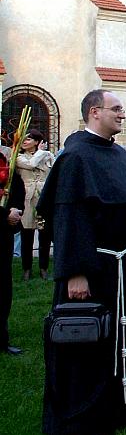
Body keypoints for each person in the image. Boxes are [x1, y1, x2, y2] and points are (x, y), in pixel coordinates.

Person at [38, 89, 126, 435]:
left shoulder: (119, 154)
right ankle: (85, 418)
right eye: (117, 109)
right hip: (90, 266)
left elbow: (123, 205)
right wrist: (74, 272)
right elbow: (68, 217)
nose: (123, 115)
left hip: (121, 263)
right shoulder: (76, 156)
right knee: (89, 342)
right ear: (94, 112)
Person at [16, 129, 55, 281]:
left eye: (29, 139)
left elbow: (53, 172)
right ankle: (27, 268)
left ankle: (43, 268)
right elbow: (31, 165)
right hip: (27, 197)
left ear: (37, 141)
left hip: (43, 197)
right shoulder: (19, 158)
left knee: (44, 233)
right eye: (24, 139)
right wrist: (40, 152)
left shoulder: (48, 156)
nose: (25, 141)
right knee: (27, 234)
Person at [0, 151, 25, 355]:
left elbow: (16, 189)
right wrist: (4, 214)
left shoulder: (8, 165)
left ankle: (2, 337)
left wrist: (15, 210)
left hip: (3, 238)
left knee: (3, 290)